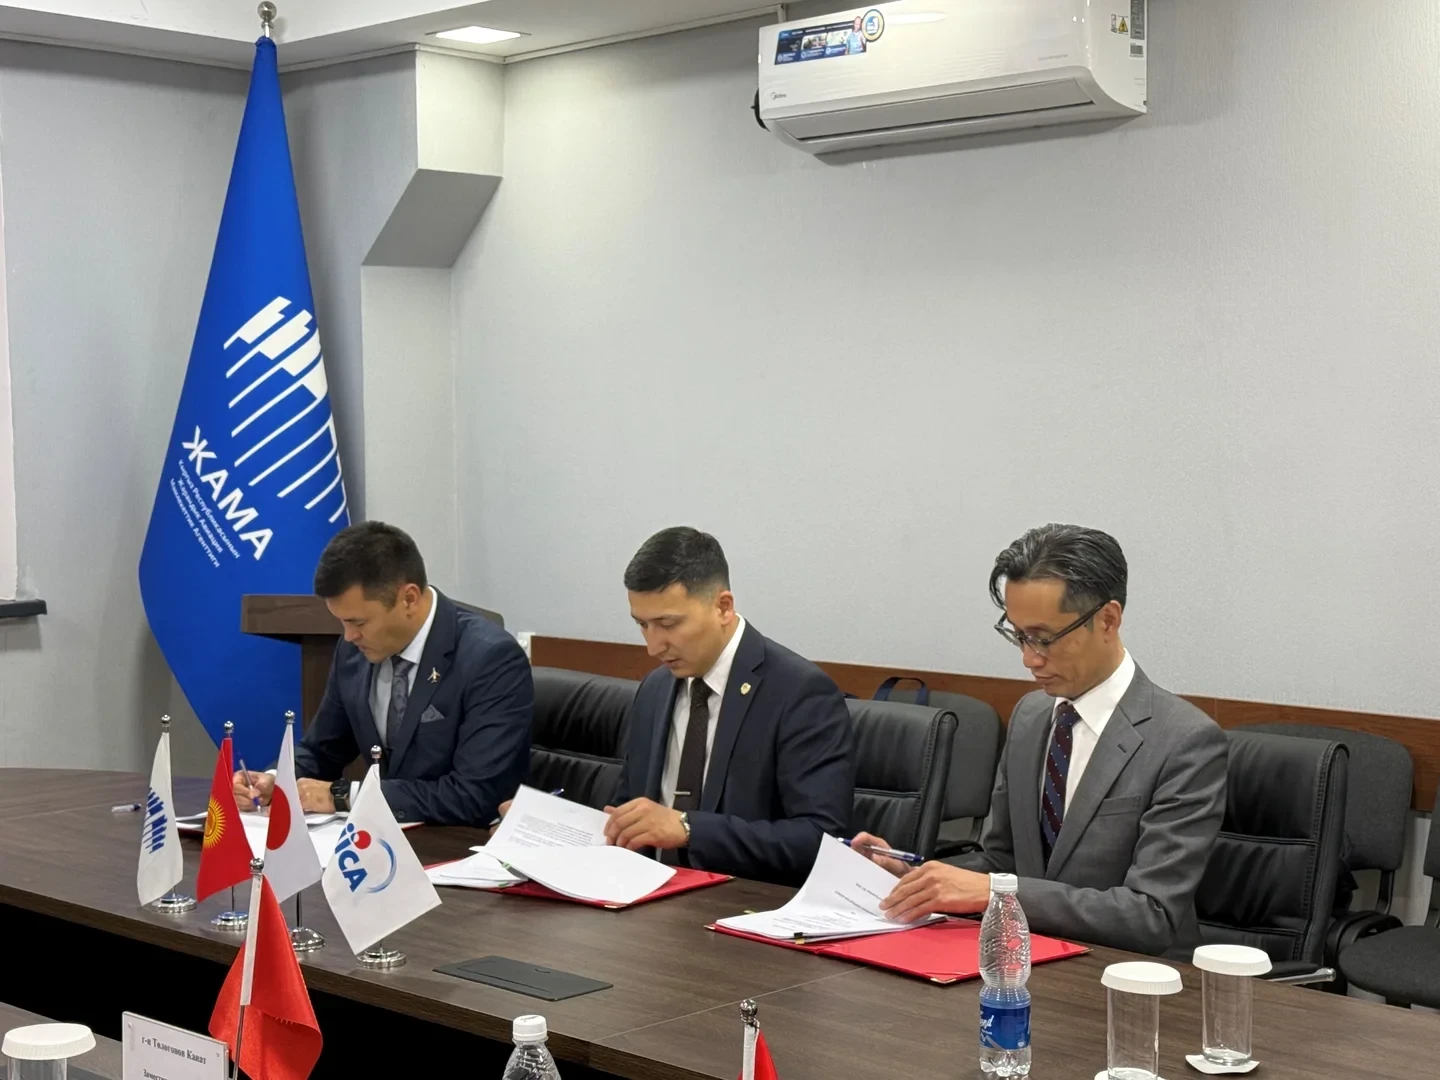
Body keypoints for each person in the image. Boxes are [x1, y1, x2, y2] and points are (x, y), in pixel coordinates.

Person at [853, 524, 1228, 957]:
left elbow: (1150, 915)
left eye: (1044, 639)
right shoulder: (1031, 717)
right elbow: (1001, 862)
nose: (1029, 658)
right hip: (1026, 961)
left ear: (1108, 620)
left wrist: (993, 891)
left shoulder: (1184, 741)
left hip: (1131, 977)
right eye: (1018, 635)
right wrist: (915, 879)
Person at [233, 521, 533, 826]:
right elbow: (323, 749)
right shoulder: (354, 651)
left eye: (359, 623)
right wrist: (277, 780)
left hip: (457, 842)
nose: (349, 636)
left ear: (409, 599)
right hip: (386, 839)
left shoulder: (490, 658)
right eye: (342, 622)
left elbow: (475, 795)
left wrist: (345, 796)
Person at [603, 527, 855, 885]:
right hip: (643, 894)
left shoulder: (799, 693)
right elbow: (630, 805)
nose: (653, 646)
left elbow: (820, 842)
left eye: (668, 624)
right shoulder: (655, 689)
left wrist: (689, 829)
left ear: (723, 607)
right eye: (642, 625)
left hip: (740, 904)